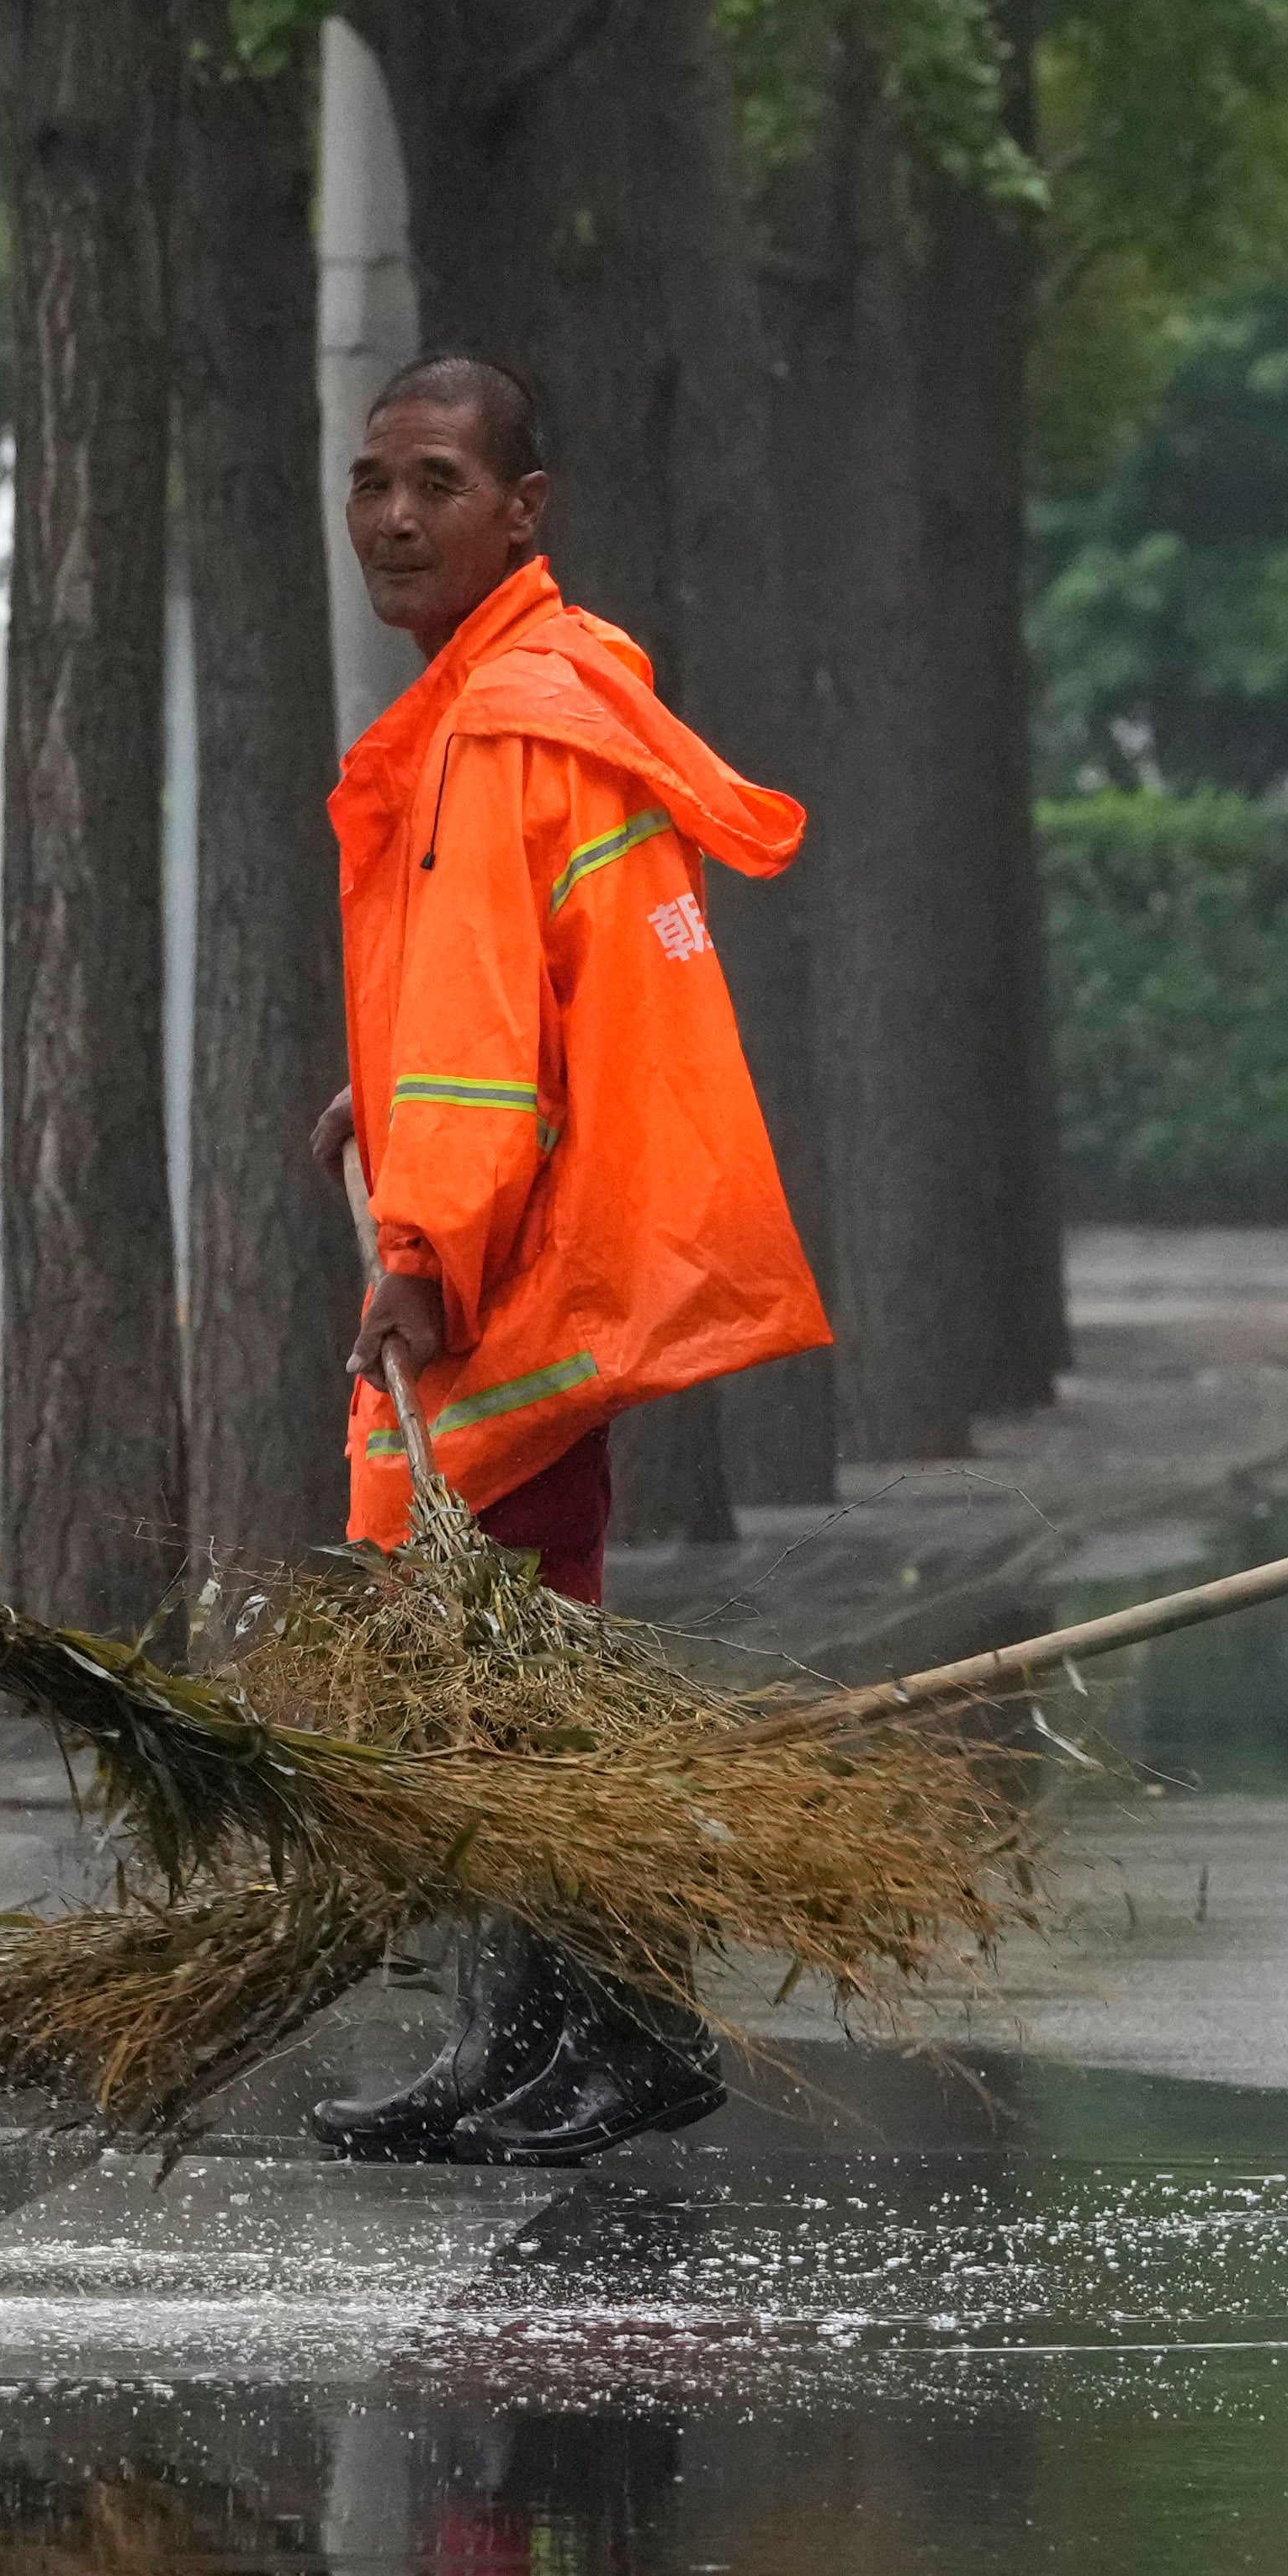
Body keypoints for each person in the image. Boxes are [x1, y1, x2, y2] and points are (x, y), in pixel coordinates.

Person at [302, 352, 831, 2167]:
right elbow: (503, 994)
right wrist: (365, 1102)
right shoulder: (523, 694)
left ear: (523, 510)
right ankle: (526, 2043)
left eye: (435, 481)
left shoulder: (505, 715)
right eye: (371, 478)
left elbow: (477, 1040)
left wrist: (422, 1247)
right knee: (504, 1669)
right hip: (557, 1232)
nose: (389, 513)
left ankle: (630, 2025)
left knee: (514, 1676)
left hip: (517, 1264)